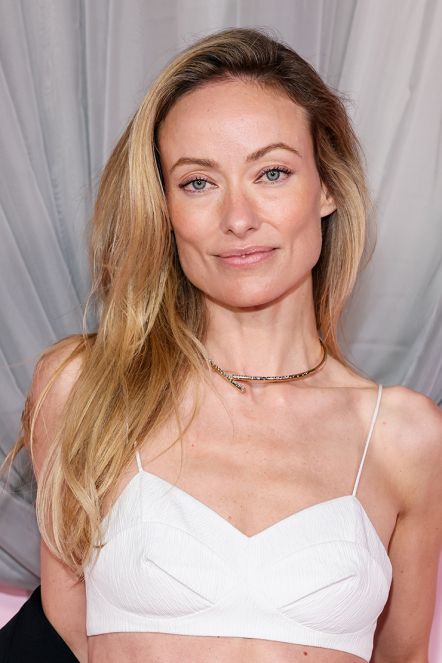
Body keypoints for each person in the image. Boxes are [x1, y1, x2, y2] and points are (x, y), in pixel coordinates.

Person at [1, 27, 442, 663]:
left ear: (327, 187)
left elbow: (403, 657)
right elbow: (69, 637)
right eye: (198, 183)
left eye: (272, 173)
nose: (238, 219)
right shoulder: (84, 388)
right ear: (163, 206)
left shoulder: (407, 438)